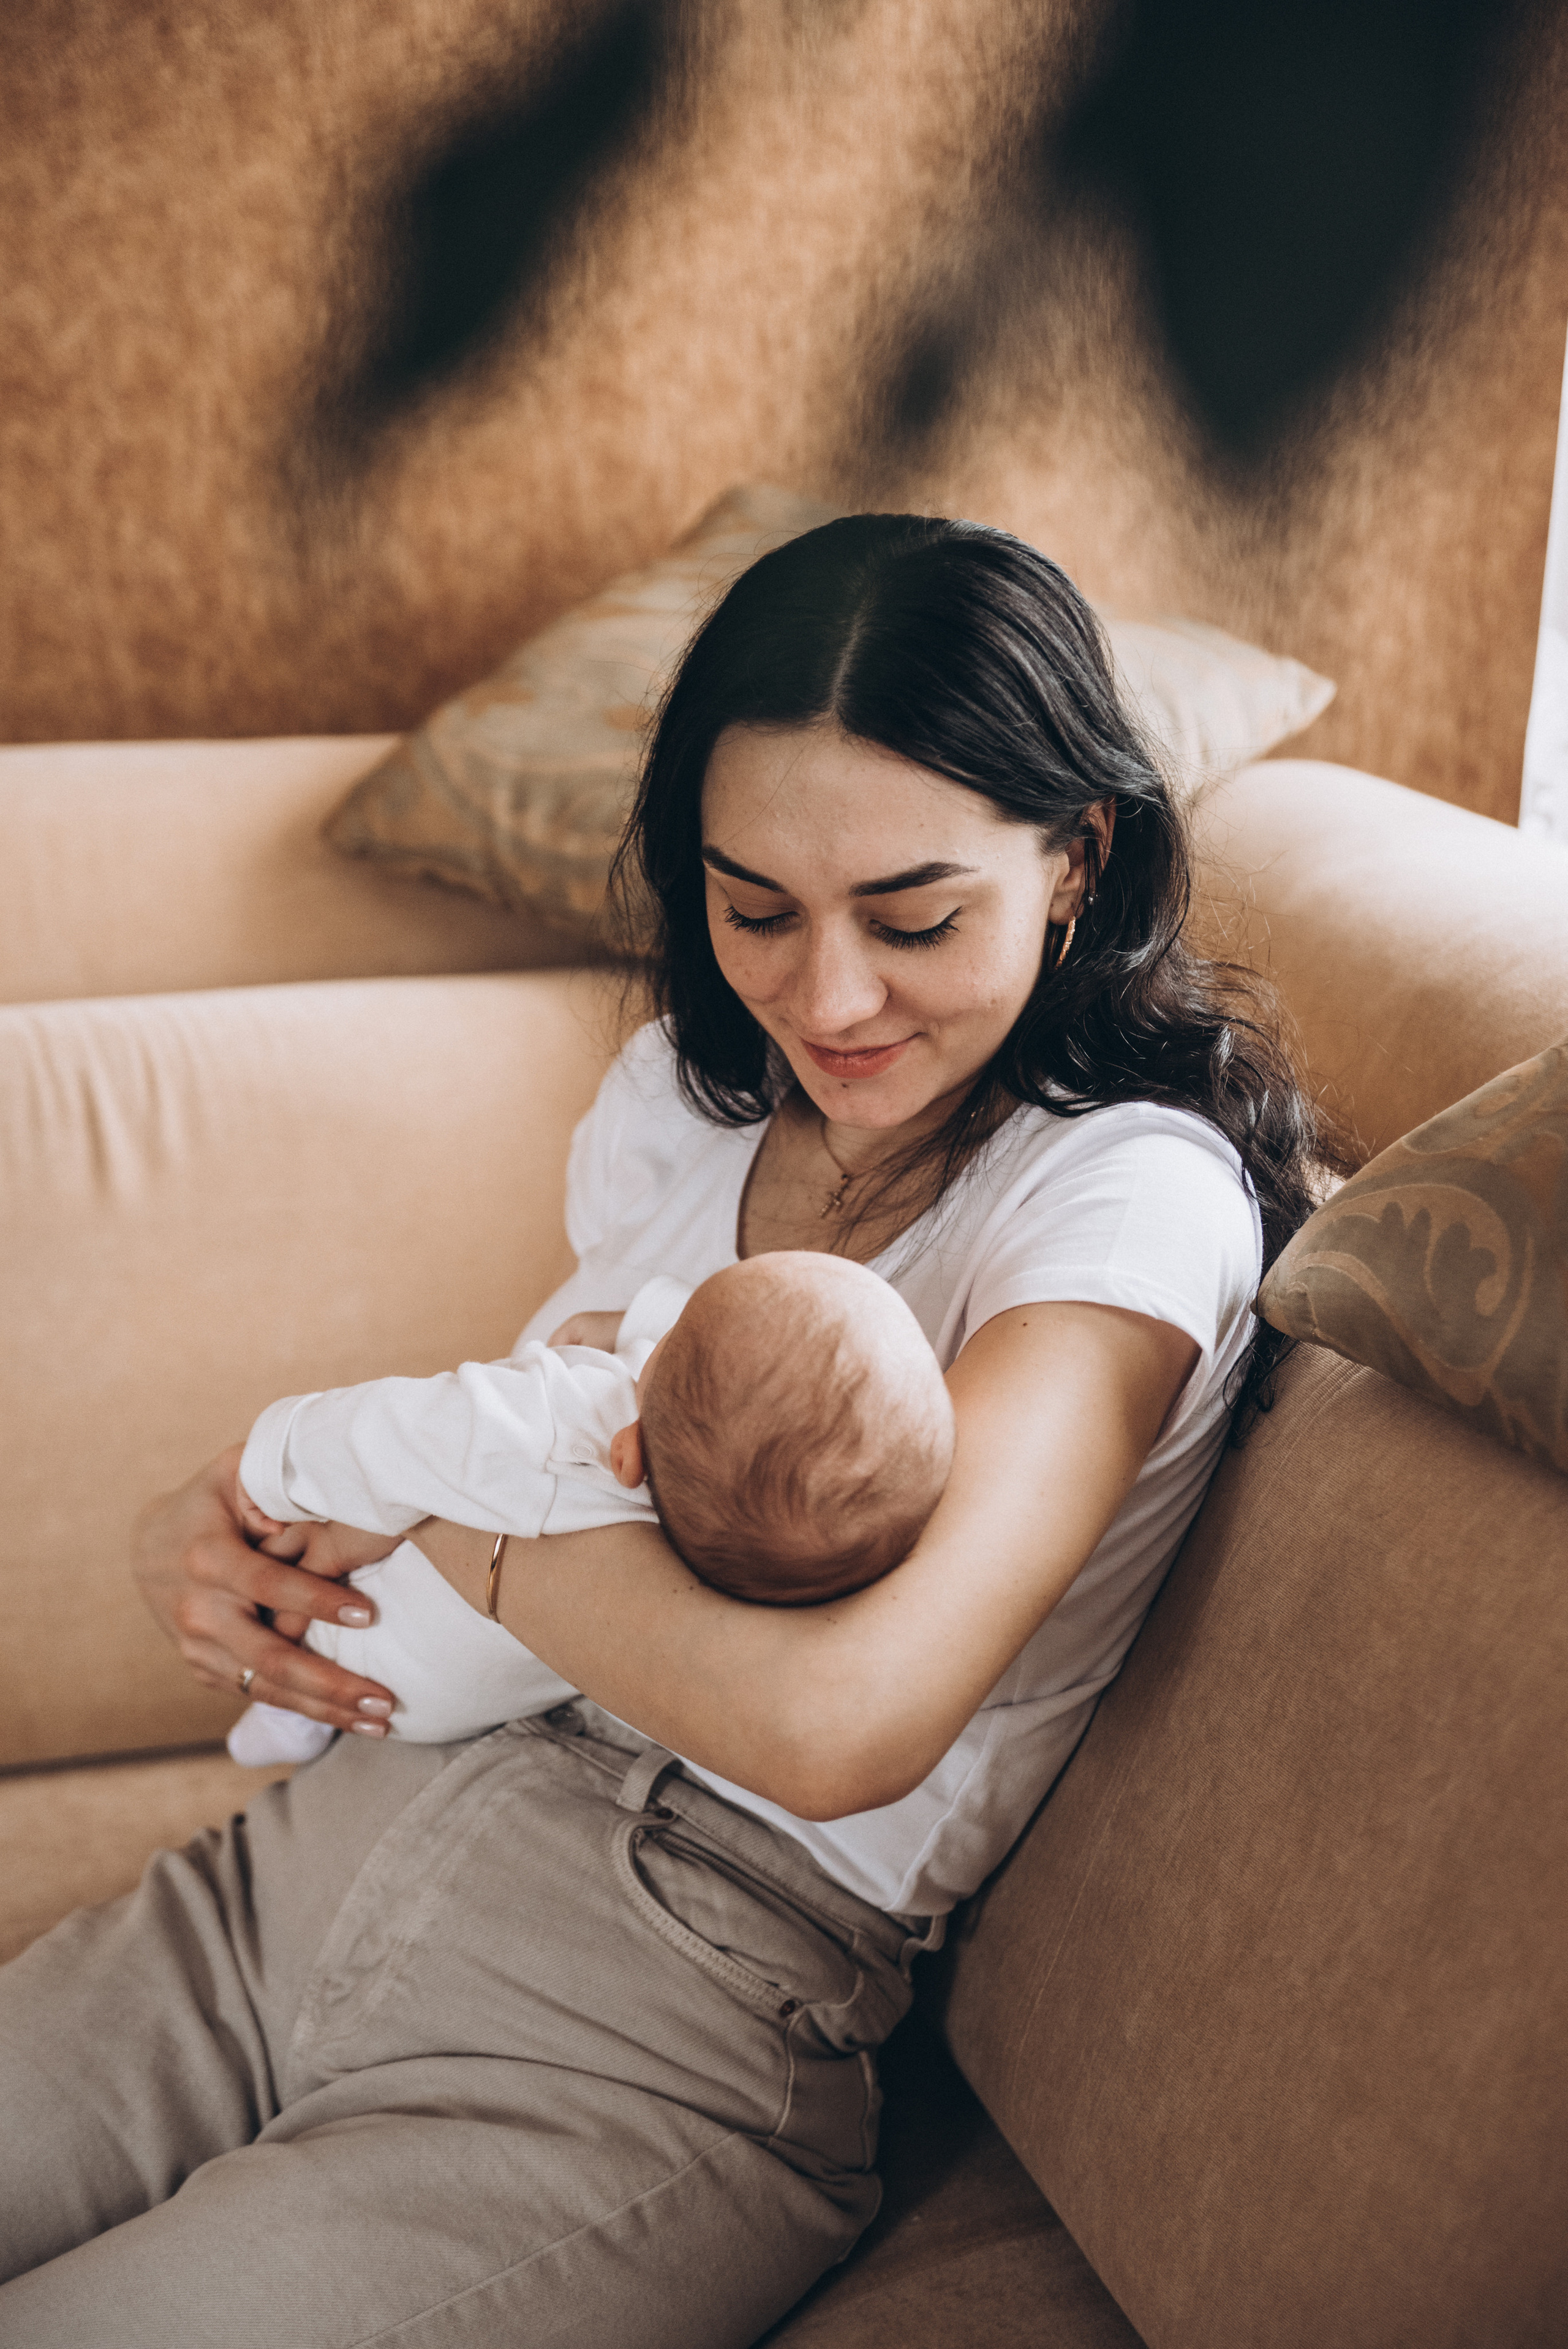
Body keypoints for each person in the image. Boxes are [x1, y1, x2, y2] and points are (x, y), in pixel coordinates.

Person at [0, 516, 1338, 2348]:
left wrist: (426, 1512)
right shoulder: (686, 1109)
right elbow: (557, 1449)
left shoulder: (1122, 1202)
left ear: (1077, 863)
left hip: (644, 2018)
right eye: (755, 909)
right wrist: (221, 1519)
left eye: (917, 915)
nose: (827, 1000)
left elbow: (836, 1717)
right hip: (286, 1876)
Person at [225, 1252, 956, 1761]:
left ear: (625, 1455)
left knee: (318, 1606)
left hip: (384, 1669)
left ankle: (286, 1718)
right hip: (492, 1691)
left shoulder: (563, 1419)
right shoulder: (749, 1540)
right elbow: (727, 1366)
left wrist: (267, 1467)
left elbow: (394, 1425)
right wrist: (646, 1319)